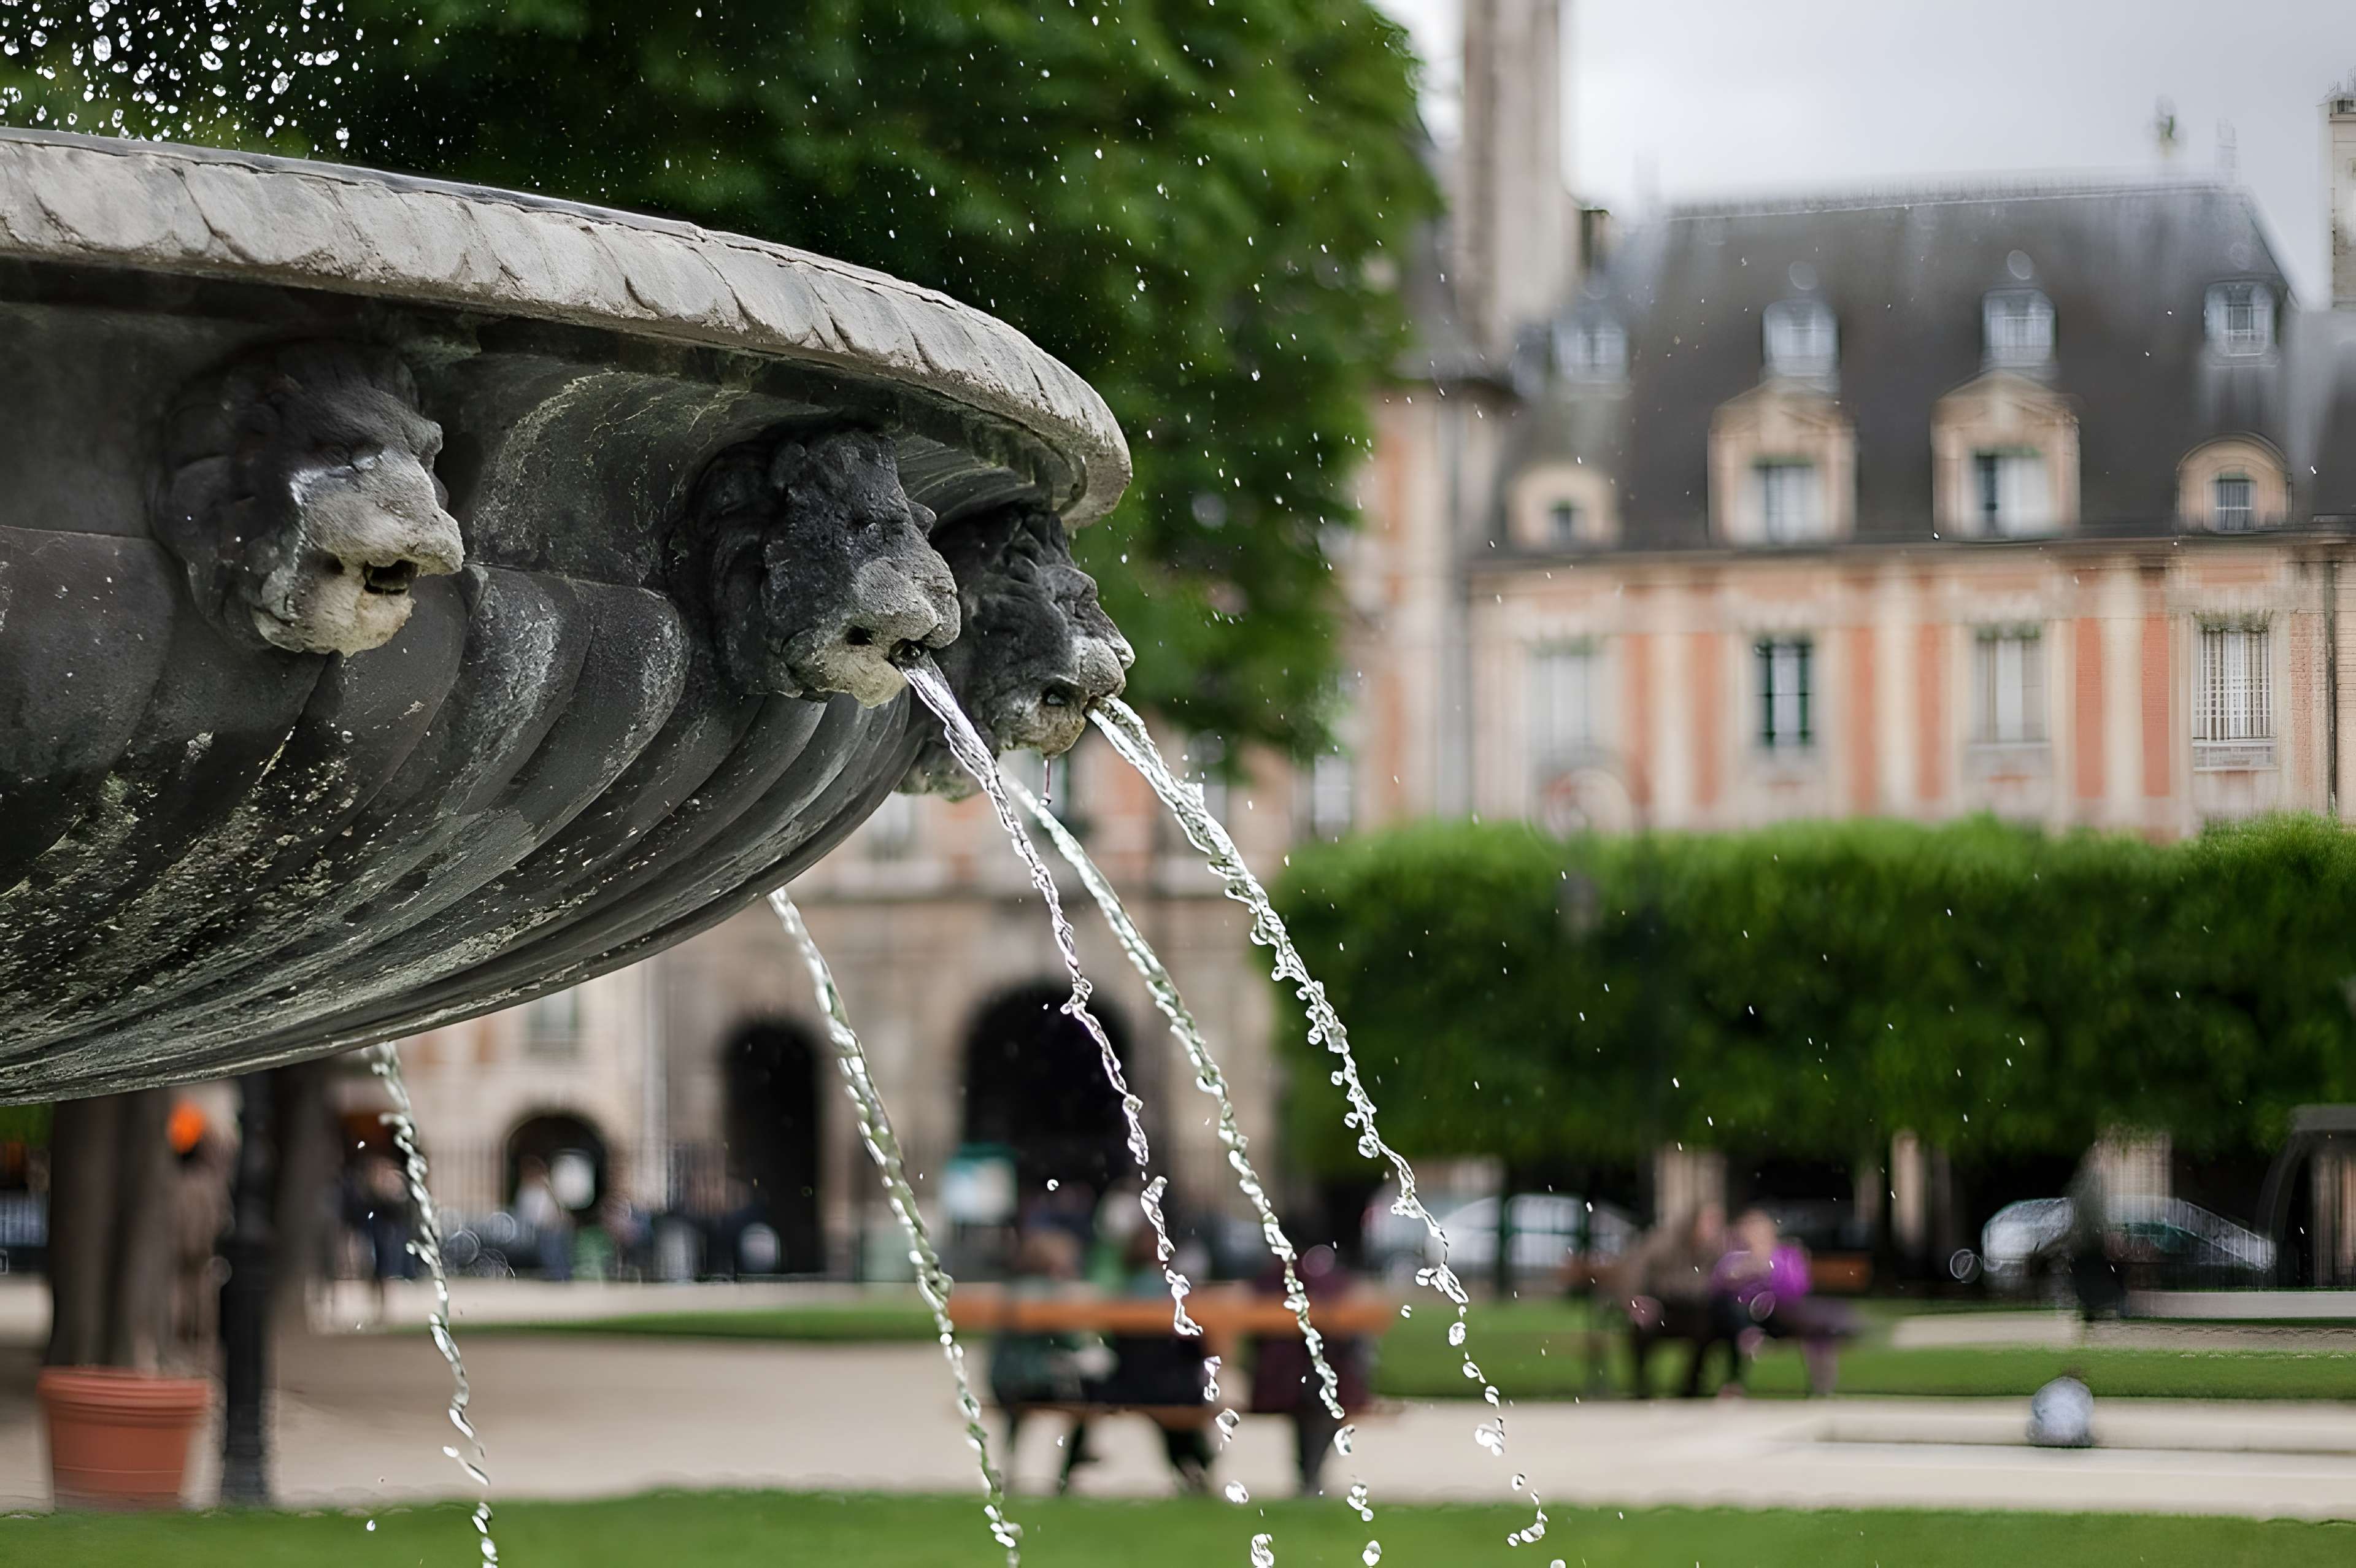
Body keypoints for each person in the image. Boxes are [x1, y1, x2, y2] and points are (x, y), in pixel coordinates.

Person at [1088, 1224, 1216, 1494]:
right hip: (1171, 1386)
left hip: (1128, 1384)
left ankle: (1069, 1468)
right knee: (1179, 1411)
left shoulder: (1122, 1293)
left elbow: (1110, 1341)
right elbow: (1198, 1346)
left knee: (1089, 1396)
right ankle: (1197, 1466)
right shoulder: (1175, 1294)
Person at [1247, 1242, 1371, 1497]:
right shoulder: (1331, 1283)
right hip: (1300, 1386)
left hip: (1286, 1385)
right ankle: (1310, 1478)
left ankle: (1310, 1477)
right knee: (1322, 1396)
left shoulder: (1273, 1282)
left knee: (1319, 1395)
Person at [1711, 1208, 1855, 1396]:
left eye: (1759, 1231)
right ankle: (1742, 1358)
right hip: (1744, 1317)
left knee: (1813, 1324)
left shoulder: (1786, 1255)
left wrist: (1768, 1271)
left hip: (1781, 1315)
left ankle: (1822, 1385)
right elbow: (1718, 1286)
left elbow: (1798, 1287)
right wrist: (1740, 1275)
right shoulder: (1734, 1257)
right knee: (1734, 1313)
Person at [1607, 1201, 1736, 1397]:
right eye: (1709, 1222)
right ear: (1694, 1223)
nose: (1714, 1229)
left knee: (1712, 1328)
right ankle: (1642, 1386)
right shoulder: (1664, 1242)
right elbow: (1634, 1269)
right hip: (1661, 1306)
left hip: (1695, 1310)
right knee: (1640, 1330)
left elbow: (1728, 1278)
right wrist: (1634, 1302)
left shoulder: (1716, 1250)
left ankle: (1691, 1385)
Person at [514, 1155, 573, 1281]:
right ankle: (554, 1275)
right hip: (542, 1227)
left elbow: (556, 1205)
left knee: (557, 1253)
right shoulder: (529, 1190)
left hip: (553, 1225)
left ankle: (561, 1276)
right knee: (548, 1253)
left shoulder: (548, 1188)